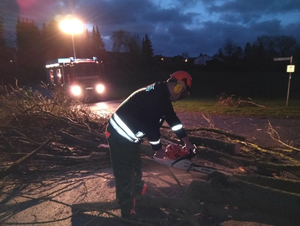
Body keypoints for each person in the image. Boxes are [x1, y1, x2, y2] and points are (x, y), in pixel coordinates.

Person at [105, 71, 194, 219]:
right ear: (178, 87)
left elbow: (173, 120)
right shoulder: (156, 97)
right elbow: (151, 127)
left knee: (135, 165)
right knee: (124, 173)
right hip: (118, 134)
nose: (180, 98)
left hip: (130, 137)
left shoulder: (162, 96)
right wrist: (158, 149)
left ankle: (138, 195)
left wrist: (187, 141)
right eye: (182, 93)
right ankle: (127, 212)